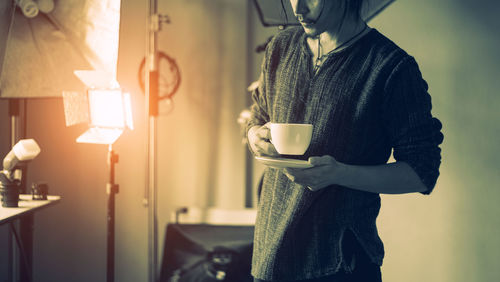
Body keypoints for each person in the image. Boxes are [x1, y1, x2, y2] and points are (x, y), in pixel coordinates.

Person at [246, 0, 444, 281]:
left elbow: (422, 172)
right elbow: (258, 116)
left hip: (340, 262)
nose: (298, 9)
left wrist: (340, 174)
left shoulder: (391, 67)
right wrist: (255, 136)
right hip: (270, 256)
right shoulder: (280, 47)